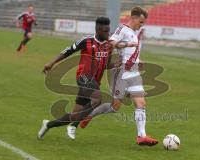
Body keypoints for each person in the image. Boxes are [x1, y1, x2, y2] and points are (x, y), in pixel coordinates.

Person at [70, 7, 159, 146]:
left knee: (141, 103)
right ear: (134, 18)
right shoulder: (122, 29)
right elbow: (110, 43)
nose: (142, 25)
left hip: (134, 72)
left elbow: (130, 52)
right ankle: (88, 115)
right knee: (114, 106)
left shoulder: (134, 33)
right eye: (141, 21)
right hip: (122, 72)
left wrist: (137, 60)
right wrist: (123, 49)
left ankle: (142, 136)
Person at [37, 17, 120, 139]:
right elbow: (68, 51)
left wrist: (115, 65)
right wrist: (51, 63)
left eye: (109, 31)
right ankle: (74, 126)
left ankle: (48, 124)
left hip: (94, 82)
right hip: (83, 77)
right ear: (98, 30)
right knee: (97, 99)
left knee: (74, 115)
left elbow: (106, 64)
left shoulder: (108, 46)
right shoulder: (87, 41)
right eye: (106, 31)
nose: (109, 34)